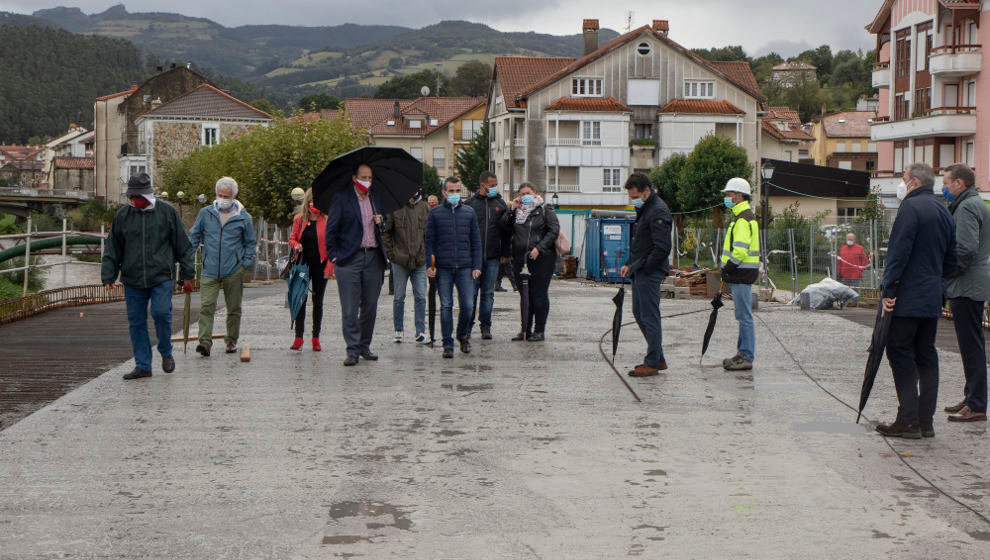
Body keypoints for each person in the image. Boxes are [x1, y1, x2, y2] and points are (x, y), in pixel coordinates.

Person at [877, 163, 957, 439]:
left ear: (913, 182)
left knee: (899, 351)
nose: (902, 183)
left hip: (907, 296)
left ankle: (908, 419)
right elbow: (952, 260)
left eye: (903, 178)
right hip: (933, 295)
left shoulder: (909, 209)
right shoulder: (943, 210)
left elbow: (898, 254)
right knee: (927, 356)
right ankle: (925, 421)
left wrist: (887, 291)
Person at [101, 173, 194, 380]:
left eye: (137, 198)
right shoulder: (123, 216)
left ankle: (165, 351)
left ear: (148, 196)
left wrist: (187, 274)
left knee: (161, 313)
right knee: (136, 322)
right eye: (131, 198)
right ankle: (143, 365)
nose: (134, 202)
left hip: (161, 275)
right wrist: (109, 276)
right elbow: (113, 247)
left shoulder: (167, 213)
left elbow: (183, 246)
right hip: (132, 278)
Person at [326, 163, 388, 366]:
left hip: (373, 257)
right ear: (354, 178)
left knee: (370, 305)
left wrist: (382, 221)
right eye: (363, 177)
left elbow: (385, 227)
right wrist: (334, 257)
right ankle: (352, 350)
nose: (367, 181)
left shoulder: (376, 198)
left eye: (370, 177)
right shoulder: (341, 199)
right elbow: (331, 230)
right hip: (349, 259)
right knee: (350, 309)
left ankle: (364, 346)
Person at [941, 163, 989, 423]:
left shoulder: (967, 207)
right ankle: (972, 396)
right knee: (971, 344)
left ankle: (977, 403)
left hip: (967, 284)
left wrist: (947, 273)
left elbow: (966, 249)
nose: (944, 188)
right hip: (972, 283)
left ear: (959, 183)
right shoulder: (975, 203)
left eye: (946, 183)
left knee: (971, 346)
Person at [187, 177, 256, 357]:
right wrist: (188, 256)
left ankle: (231, 339)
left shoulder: (244, 217)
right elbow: (194, 235)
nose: (223, 198)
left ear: (234, 196)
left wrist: (244, 263)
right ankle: (204, 342)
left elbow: (250, 243)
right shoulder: (206, 213)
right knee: (207, 305)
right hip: (209, 268)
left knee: (233, 307)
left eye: (226, 195)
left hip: (233, 269)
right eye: (220, 195)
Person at [619, 172, 673, 377]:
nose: (634, 201)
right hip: (640, 268)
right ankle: (658, 357)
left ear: (647, 191)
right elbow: (641, 243)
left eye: (635, 197)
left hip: (649, 272)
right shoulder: (647, 209)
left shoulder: (658, 211)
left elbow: (661, 248)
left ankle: (652, 362)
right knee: (640, 313)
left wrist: (645, 267)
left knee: (649, 316)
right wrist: (629, 263)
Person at [425, 177, 482, 359]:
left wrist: (477, 265)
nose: (455, 194)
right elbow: (429, 242)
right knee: (446, 306)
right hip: (443, 267)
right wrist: (430, 265)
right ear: (444, 192)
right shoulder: (435, 214)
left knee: (468, 305)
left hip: (465, 266)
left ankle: (462, 334)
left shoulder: (469, 213)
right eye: (452, 191)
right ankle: (447, 344)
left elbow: (476, 241)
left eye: (458, 191)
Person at [501, 182, 560, 342]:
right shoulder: (517, 212)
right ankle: (525, 330)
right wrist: (511, 210)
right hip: (520, 258)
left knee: (539, 294)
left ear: (535, 193)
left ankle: (539, 330)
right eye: (522, 194)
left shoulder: (544, 210)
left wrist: (539, 248)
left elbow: (553, 230)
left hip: (542, 258)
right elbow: (505, 227)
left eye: (528, 193)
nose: (525, 196)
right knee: (525, 296)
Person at [720, 177, 761, 372]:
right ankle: (742, 353)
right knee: (742, 315)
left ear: (738, 196)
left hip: (741, 272)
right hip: (743, 272)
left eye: (728, 195)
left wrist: (727, 267)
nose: (726, 198)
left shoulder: (743, 219)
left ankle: (746, 356)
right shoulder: (742, 216)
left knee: (744, 316)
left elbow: (740, 250)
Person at [465, 171, 511, 340]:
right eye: (491, 185)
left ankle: (486, 326)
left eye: (495, 185)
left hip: (493, 256)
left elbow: (506, 231)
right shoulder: (469, 204)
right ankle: (468, 325)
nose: (494, 188)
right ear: (482, 185)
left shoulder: (500, 204)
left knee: (488, 293)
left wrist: (505, 252)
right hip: (472, 258)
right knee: (471, 293)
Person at [288, 188, 334, 351]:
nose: (314, 205)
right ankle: (298, 337)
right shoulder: (299, 219)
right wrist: (296, 245)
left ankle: (316, 337)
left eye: (317, 202)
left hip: (320, 265)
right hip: (302, 263)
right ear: (307, 203)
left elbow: (332, 247)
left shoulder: (327, 221)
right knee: (300, 299)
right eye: (311, 201)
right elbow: (292, 238)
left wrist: (329, 268)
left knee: (318, 301)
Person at [383, 190, 429, 344]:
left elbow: (429, 234)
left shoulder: (424, 207)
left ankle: (420, 330)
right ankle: (398, 330)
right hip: (400, 260)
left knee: (421, 296)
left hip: (420, 260)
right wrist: (392, 255)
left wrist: (427, 254)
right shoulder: (395, 207)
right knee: (399, 297)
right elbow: (386, 233)